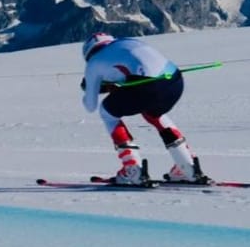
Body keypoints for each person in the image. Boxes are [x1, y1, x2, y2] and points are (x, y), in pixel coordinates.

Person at [80, 32, 202, 185]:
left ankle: (132, 169)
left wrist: (91, 88)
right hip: (174, 81)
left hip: (147, 86)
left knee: (107, 112)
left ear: (89, 53)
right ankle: (187, 166)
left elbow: (90, 106)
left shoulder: (93, 62)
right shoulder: (128, 41)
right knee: (153, 113)